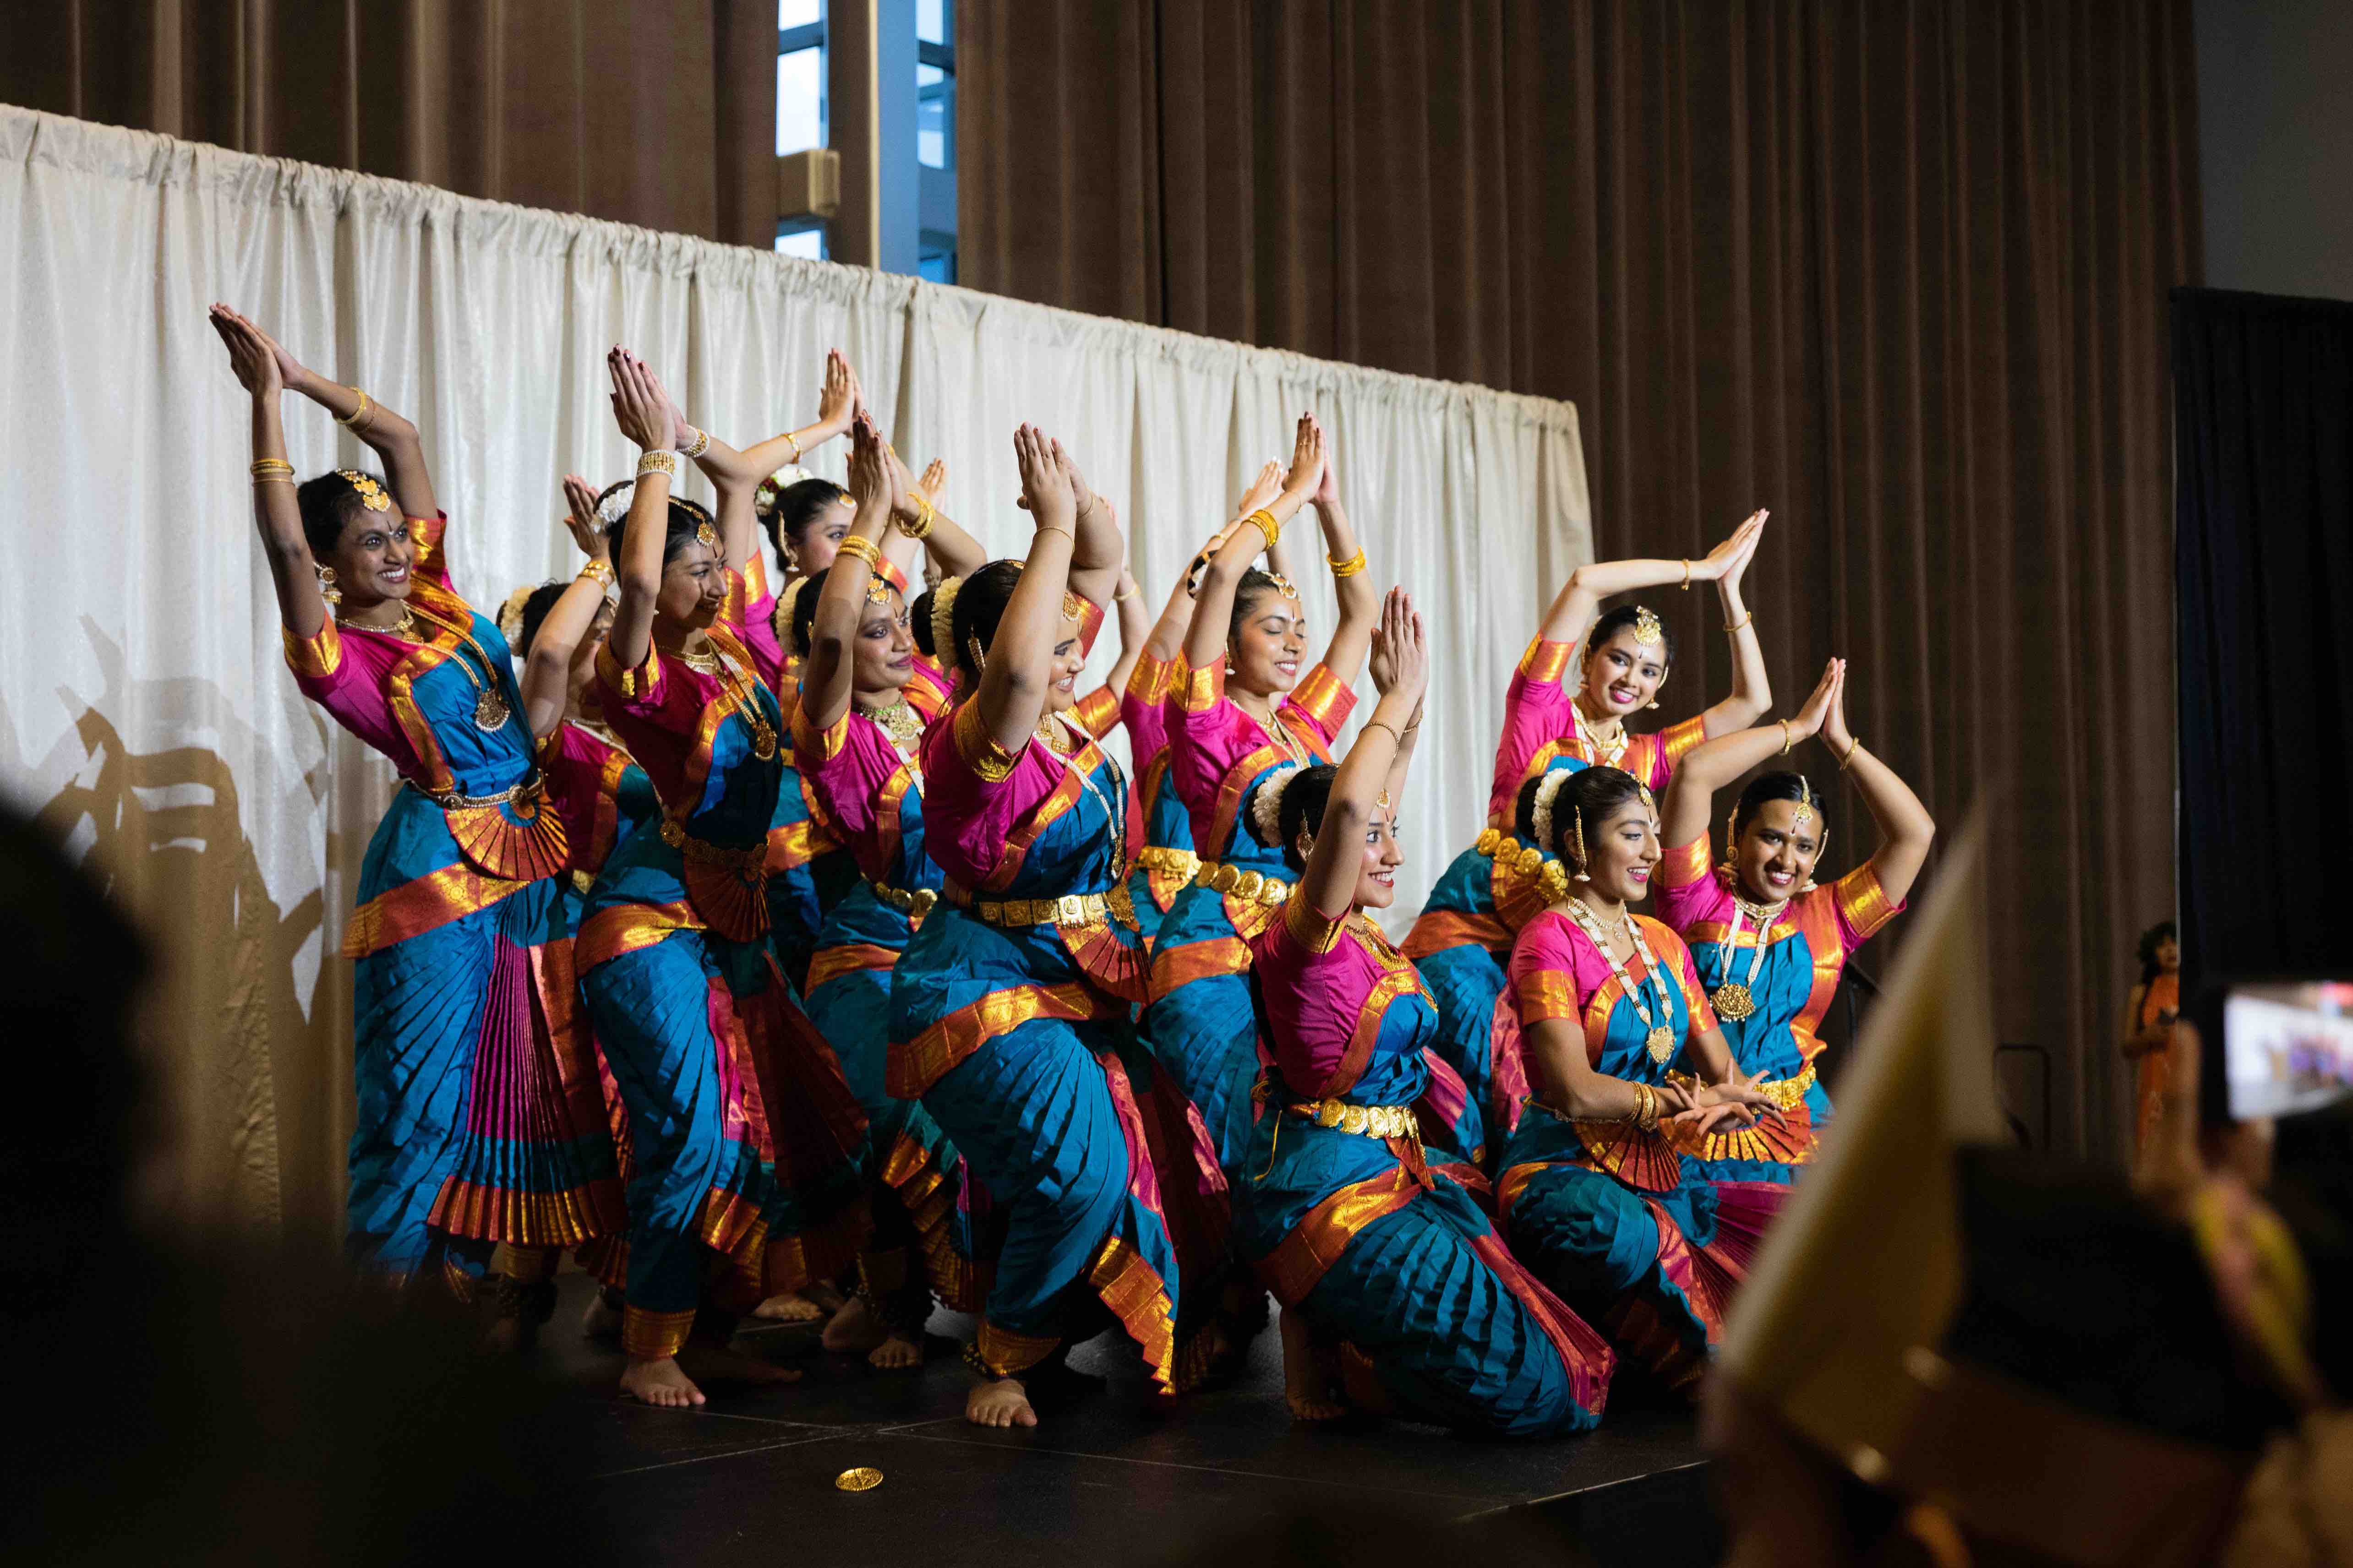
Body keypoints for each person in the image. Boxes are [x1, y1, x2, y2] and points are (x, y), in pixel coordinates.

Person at [210, 304, 622, 1303]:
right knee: (419, 1096)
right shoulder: (337, 655)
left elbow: (399, 439)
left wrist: (301, 373)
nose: (395, 548)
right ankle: (377, 1316)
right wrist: (266, 404)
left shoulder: (434, 594)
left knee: (513, 1084)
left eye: (396, 530)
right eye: (369, 541)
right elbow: (280, 542)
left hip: (531, 855)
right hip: (436, 875)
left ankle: (460, 1294)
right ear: (329, 565)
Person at [1234, 588, 1614, 1435]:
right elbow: (1348, 809)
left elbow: (1366, 806)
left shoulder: (1361, 933)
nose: (1394, 853)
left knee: (1571, 1366)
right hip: (1325, 1193)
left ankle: (1336, 1329)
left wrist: (1410, 707)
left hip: (1394, 1169)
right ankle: (1334, 1336)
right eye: (1374, 840)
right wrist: (1392, 697)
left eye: (1392, 832)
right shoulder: (1304, 936)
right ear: (1313, 851)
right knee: (1538, 1396)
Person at [574, 348, 869, 1406]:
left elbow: (741, 488)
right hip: (650, 921)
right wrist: (657, 454)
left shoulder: (738, 653)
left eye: (715, 565)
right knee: (686, 1130)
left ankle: (688, 1326)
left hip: (734, 919)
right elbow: (636, 583)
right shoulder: (638, 673)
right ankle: (650, 1346)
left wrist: (831, 443)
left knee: (769, 1124)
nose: (712, 578)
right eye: (692, 567)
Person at [887, 427, 1189, 1429]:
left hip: (1064, 977)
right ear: (985, 652)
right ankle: (999, 1353)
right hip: (979, 986)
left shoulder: (1063, 722)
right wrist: (1051, 526)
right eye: (1055, 646)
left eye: (1072, 644)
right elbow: (1019, 676)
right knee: (1081, 1173)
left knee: (1132, 1163)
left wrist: (1076, 500)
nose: (1073, 658)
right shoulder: (972, 740)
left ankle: (1041, 1335)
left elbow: (1101, 561)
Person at [1403, 516, 1773, 1170]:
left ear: (1659, 688)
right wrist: (1698, 570)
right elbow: (1582, 582)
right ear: (1587, 658)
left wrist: (1731, 590)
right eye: (1619, 658)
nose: (1632, 677)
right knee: (1491, 1065)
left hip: (1565, 950)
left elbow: (1753, 701)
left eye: (1650, 671)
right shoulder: (1538, 710)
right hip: (1476, 936)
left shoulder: (1645, 758)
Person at [787, 414, 990, 1367]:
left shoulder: (935, 702)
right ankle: (893, 1300)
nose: (900, 641)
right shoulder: (829, 732)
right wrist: (868, 518)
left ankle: (1014, 1307)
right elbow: (828, 641)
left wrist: (912, 506)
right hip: (866, 954)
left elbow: (978, 579)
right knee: (902, 1118)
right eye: (878, 631)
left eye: (902, 623)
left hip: (956, 948)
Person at [1493, 764, 1787, 1396]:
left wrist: (1739, 1100)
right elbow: (1574, 1091)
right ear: (1578, 843)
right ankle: (1605, 1343)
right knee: (1620, 1233)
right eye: (1633, 834)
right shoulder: (1547, 941)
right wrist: (1675, 1104)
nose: (1654, 851)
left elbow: (1722, 1071)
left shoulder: (1662, 942)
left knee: (1788, 1219)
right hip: (1561, 1163)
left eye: (1654, 833)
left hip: (1659, 1160)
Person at [1652, 659, 1933, 1181]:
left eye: (1804, 846)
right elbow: (1693, 772)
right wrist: (1798, 730)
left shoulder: (1830, 917)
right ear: (1736, 835)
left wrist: (1841, 743)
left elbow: (1915, 834)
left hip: (1798, 1122)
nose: (1787, 860)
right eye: (1771, 838)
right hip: (1692, 1114)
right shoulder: (1690, 897)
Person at [1116, 463, 1291, 945]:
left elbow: (1283, 614)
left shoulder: (1272, 730)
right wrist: (1246, 521)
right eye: (1272, 631)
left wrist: (1277, 523)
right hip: (1163, 917)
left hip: (1259, 917)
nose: (1289, 643)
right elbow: (1191, 594)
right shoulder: (1158, 715)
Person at [2122, 920, 2181, 1163]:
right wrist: (2147, 1036)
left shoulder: (2195, 988)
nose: (2171, 950)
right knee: (2152, 1156)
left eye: (2176, 943)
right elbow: (2127, 1049)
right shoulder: (2141, 992)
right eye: (2163, 945)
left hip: (2184, 1077)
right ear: (2152, 951)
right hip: (2153, 1084)